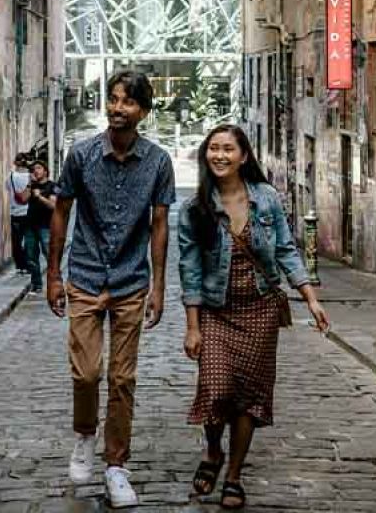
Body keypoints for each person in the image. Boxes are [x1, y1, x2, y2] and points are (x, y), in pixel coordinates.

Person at [178, 124, 329, 510]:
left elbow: (286, 250)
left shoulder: (267, 199)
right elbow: (190, 268)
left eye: (229, 149)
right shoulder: (195, 209)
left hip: (260, 310)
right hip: (215, 311)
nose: (220, 156)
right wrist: (192, 326)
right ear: (205, 154)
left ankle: (233, 474)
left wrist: (309, 298)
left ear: (244, 156)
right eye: (213, 148)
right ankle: (214, 451)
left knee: (249, 398)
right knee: (216, 391)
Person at [46, 70, 176, 508]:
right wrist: (52, 274)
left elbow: (160, 227)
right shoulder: (81, 156)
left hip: (130, 282)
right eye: (114, 100)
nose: (118, 109)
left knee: (122, 378)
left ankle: (116, 465)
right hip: (83, 277)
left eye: (128, 103)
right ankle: (85, 435)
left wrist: (159, 286)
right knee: (86, 372)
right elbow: (61, 213)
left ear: (143, 111)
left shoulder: (158, 163)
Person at [24, 160, 58, 294]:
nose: (36, 171)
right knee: (31, 256)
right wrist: (29, 185)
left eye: (38, 168)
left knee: (49, 255)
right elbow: (23, 199)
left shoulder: (53, 186)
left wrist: (39, 197)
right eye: (33, 169)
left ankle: (53, 283)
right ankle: (37, 284)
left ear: (45, 171)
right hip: (30, 226)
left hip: (46, 226)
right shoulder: (32, 186)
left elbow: (53, 206)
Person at [8, 153, 32, 275]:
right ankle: (28, 265)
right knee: (29, 240)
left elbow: (8, 189)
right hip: (28, 213)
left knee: (16, 241)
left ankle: (20, 266)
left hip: (15, 212)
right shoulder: (31, 177)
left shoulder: (11, 176)